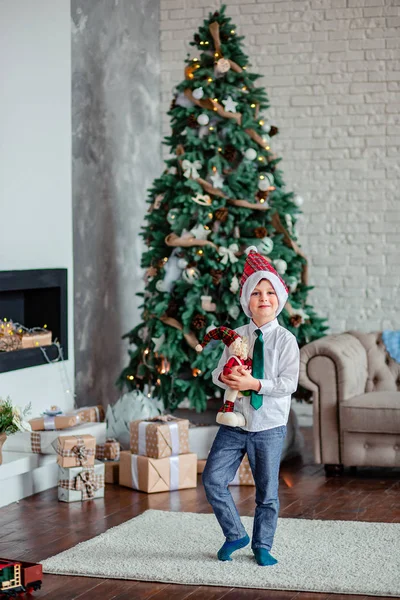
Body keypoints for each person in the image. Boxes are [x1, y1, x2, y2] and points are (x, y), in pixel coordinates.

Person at [202, 246, 300, 566]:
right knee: (214, 479)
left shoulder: (285, 341)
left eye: (270, 292)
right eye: (256, 293)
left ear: (279, 299)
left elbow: (288, 383)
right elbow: (218, 372)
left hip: (268, 425)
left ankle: (262, 545)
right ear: (247, 300)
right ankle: (235, 534)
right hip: (235, 423)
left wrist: (254, 384)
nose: (263, 298)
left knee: (267, 493)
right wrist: (228, 377)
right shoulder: (236, 335)